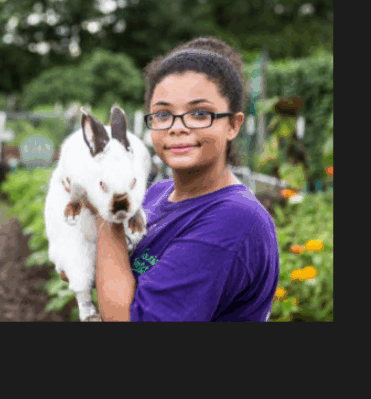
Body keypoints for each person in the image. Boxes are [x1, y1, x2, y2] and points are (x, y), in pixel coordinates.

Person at [89, 36, 280, 321]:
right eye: (163, 114)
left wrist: (106, 210)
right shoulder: (157, 193)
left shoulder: (234, 220)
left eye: (200, 113)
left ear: (233, 125)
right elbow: (115, 273)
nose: (177, 127)